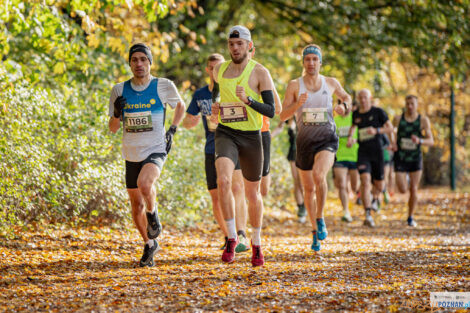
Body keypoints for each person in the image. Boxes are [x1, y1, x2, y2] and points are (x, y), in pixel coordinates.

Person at [108, 43, 185, 267]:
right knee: (135, 206)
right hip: (131, 152)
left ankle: (154, 216)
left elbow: (179, 105)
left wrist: (172, 129)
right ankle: (150, 244)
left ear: (150, 62)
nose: (139, 64)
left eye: (143, 59)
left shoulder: (163, 85)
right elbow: (113, 128)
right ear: (130, 63)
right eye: (135, 60)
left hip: (156, 148)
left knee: (145, 183)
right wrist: (116, 112)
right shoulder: (119, 90)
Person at [211, 25, 276, 266]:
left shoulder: (260, 72)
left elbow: (271, 110)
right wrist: (216, 107)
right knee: (224, 181)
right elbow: (219, 98)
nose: (235, 48)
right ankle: (231, 236)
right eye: (231, 44)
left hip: (251, 136)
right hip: (226, 132)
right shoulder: (220, 70)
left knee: (252, 194)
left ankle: (257, 244)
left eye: (239, 44)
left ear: (249, 46)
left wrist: (248, 100)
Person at [280, 44, 351, 251]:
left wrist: (343, 106)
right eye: (307, 59)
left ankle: (320, 218)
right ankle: (313, 230)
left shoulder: (330, 83)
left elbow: (346, 97)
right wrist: (296, 105)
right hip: (303, 143)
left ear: (320, 62)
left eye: (314, 59)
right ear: (303, 63)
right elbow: (283, 115)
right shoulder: (295, 85)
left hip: (327, 139)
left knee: (319, 176)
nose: (311, 63)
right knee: (308, 188)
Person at [181, 53, 249, 252]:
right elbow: (186, 121)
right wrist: (190, 122)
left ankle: (242, 232)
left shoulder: (232, 90)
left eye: (218, 66)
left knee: (237, 188)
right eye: (211, 67)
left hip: (232, 145)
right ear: (208, 70)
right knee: (216, 195)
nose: (214, 70)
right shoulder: (201, 94)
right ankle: (230, 236)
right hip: (211, 148)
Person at [347, 89, 393, 227]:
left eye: (365, 97)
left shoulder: (378, 112)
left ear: (370, 98)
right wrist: (350, 138)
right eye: (360, 97)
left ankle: (375, 198)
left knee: (379, 184)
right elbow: (353, 127)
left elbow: (390, 128)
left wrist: (377, 131)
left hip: (377, 152)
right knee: (365, 181)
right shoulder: (355, 114)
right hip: (363, 152)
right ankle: (367, 214)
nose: (362, 100)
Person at [392, 95, 434, 227]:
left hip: (415, 158)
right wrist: (393, 143)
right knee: (403, 189)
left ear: (417, 105)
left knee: (414, 189)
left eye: (412, 104)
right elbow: (391, 131)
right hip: (401, 157)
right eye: (408, 103)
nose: (410, 106)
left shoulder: (423, 120)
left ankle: (410, 216)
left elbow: (431, 141)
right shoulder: (398, 119)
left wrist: (420, 140)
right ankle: (407, 180)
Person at [271, 118, 306, 222]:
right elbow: (279, 127)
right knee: (297, 181)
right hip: (294, 152)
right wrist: (269, 137)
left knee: (304, 182)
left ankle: (309, 204)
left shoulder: (306, 112)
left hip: (306, 151)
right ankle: (301, 207)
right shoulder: (289, 115)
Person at [333, 101, 359, 223]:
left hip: (355, 156)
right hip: (340, 156)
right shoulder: (335, 120)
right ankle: (346, 212)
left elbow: (361, 136)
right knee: (342, 185)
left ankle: (360, 195)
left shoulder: (355, 119)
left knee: (355, 186)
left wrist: (354, 140)